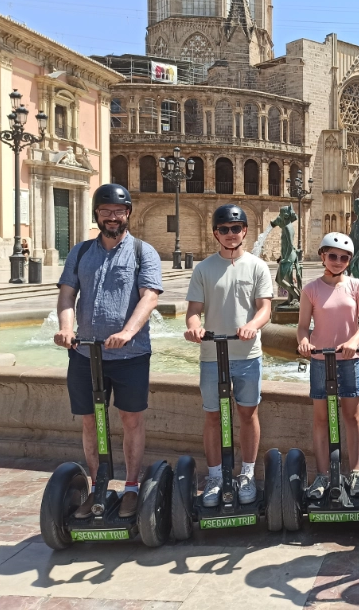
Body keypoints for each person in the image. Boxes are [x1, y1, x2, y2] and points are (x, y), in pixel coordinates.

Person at [54, 183, 163, 519]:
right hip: (86, 354)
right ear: (97, 215)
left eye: (118, 211)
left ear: (128, 213)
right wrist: (66, 328)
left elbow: (149, 296)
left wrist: (128, 332)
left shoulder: (144, 252)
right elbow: (67, 295)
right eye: (105, 211)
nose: (112, 217)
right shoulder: (81, 251)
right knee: (90, 422)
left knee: (132, 420)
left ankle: (131, 487)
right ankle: (99, 484)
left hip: (130, 356)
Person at [184, 204, 273, 506]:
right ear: (215, 234)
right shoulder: (204, 269)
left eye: (236, 228)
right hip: (212, 355)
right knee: (212, 417)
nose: (231, 234)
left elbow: (265, 308)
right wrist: (195, 329)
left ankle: (246, 473)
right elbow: (194, 312)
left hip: (247, 354)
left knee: (248, 414)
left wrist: (251, 326)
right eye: (224, 229)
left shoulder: (257, 266)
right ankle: (215, 476)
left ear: (245, 231)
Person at [296, 232, 359, 499]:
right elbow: (303, 327)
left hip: (349, 359)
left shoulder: (357, 286)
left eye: (343, 257)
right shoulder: (311, 289)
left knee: (352, 416)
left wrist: (353, 341)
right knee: (320, 419)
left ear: (349, 260)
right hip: (320, 359)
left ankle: (354, 472)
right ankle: (322, 474)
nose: (338, 261)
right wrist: (304, 342)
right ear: (323, 257)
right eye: (333, 256)